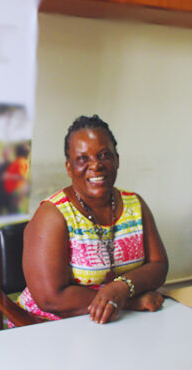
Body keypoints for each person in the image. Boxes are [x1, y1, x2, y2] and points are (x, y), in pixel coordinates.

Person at [18, 115, 168, 325]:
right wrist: (127, 302)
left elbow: (159, 265)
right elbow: (50, 299)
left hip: (116, 324)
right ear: (69, 168)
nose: (95, 166)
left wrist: (122, 287)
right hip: (47, 325)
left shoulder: (135, 204)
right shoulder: (53, 215)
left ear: (116, 160)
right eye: (82, 159)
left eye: (104, 155)